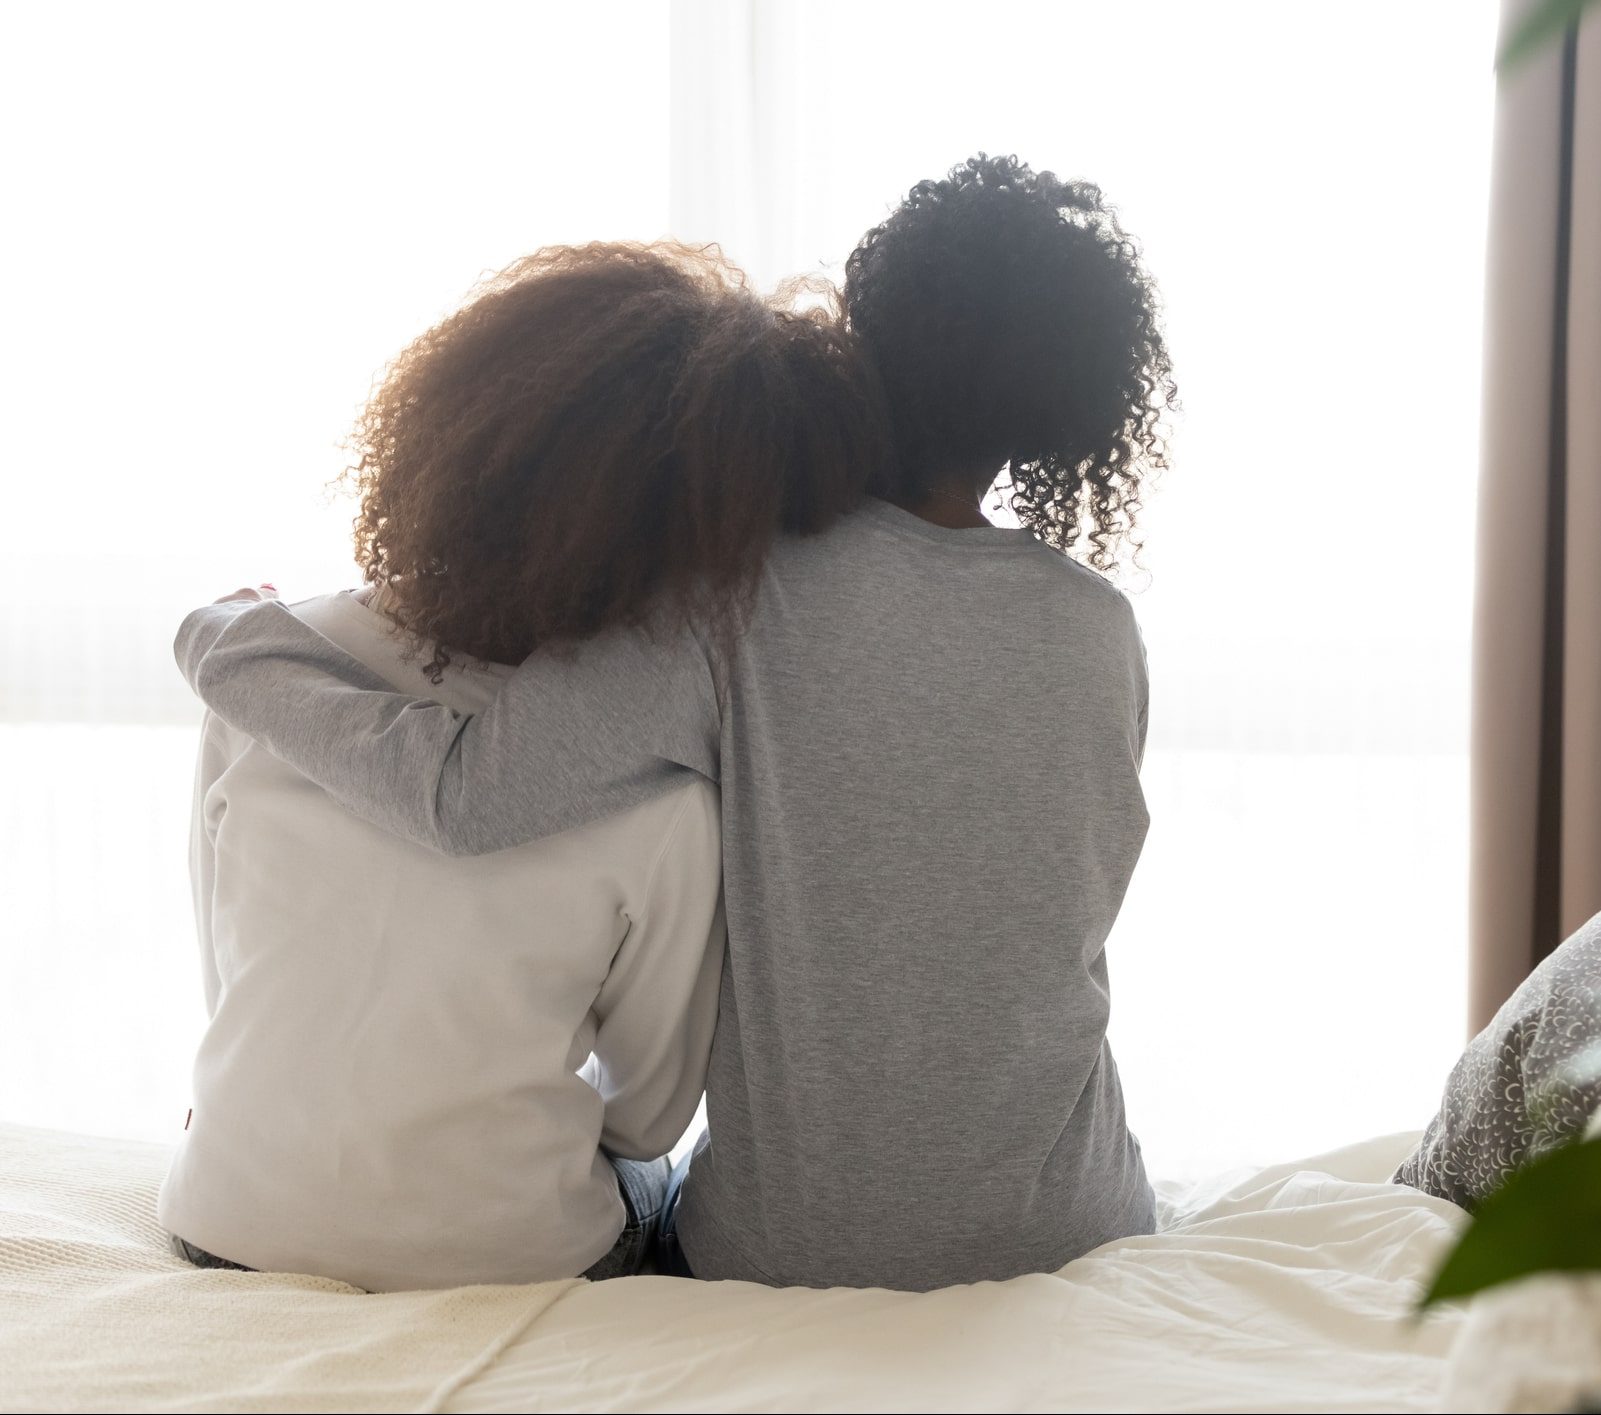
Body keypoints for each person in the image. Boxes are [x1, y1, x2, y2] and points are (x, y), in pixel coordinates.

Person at [174, 154, 1178, 1291]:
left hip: (789, 1248)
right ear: (1072, 406)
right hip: (1079, 1224)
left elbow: (465, 794)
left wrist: (226, 645)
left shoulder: (736, 595)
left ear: (868, 328)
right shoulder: (1101, 630)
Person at [158, 241, 889, 1291]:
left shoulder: (263, 674)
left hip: (224, 1211)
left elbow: (228, 965)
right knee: (662, 1187)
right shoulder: (665, 796)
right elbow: (646, 1114)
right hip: (508, 1256)